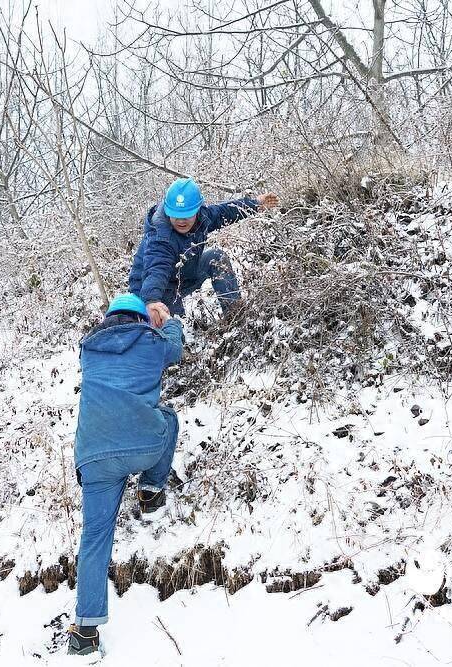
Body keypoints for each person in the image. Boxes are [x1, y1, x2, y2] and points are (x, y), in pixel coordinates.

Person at [68, 293, 184, 656]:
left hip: (94, 457)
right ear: (142, 320)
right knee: (167, 418)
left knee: (94, 539)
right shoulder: (152, 342)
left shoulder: (89, 350)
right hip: (142, 446)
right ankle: (150, 492)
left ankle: (85, 634)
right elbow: (175, 348)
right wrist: (168, 319)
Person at [128, 177, 279, 328]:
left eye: (187, 215)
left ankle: (235, 317)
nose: (181, 221)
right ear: (168, 211)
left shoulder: (203, 216)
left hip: (182, 272)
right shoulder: (160, 237)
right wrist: (151, 300)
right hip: (153, 290)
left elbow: (224, 212)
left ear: (197, 210)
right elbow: (157, 269)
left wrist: (255, 204)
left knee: (216, 257)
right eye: (176, 216)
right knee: (173, 331)